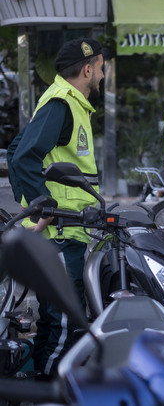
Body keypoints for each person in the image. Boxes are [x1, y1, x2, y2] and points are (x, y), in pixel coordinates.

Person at [7, 38, 104, 377]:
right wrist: (43, 208)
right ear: (88, 69)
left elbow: (15, 151)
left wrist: (36, 206)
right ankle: (52, 391)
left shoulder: (64, 102)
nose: (103, 76)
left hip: (65, 230)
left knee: (52, 321)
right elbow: (23, 157)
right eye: (102, 69)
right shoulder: (62, 103)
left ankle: (37, 386)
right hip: (60, 232)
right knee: (68, 323)